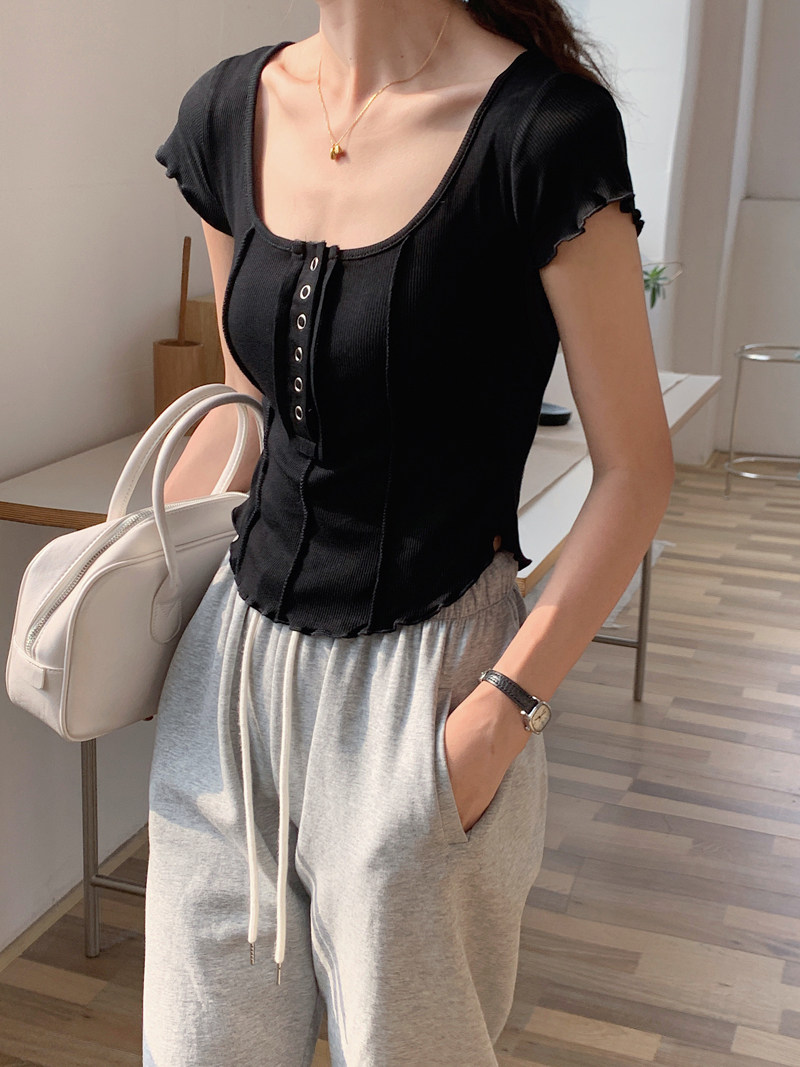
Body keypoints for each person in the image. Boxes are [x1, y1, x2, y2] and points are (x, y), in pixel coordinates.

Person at [143, 0, 674, 1063]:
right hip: (229, 684)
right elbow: (249, 406)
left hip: (430, 687)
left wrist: (497, 719)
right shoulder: (228, 110)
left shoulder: (542, 131)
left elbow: (635, 471)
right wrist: (134, 586)